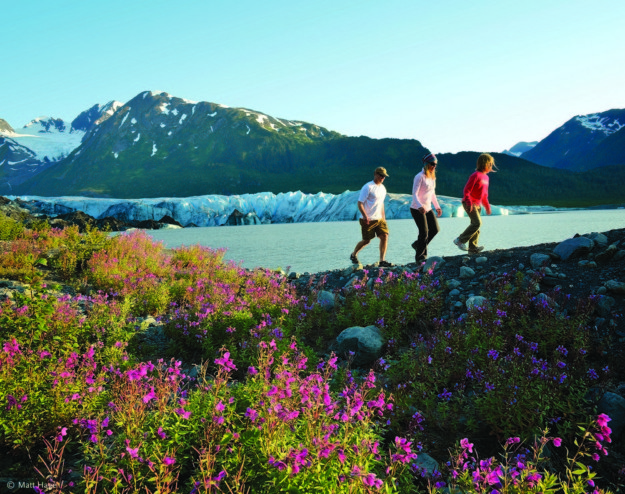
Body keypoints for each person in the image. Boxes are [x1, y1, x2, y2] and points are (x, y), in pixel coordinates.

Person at [350, 166, 393, 267]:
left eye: (384, 176)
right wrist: (365, 216)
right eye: (381, 175)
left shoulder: (383, 188)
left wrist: (384, 218)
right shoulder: (368, 187)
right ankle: (353, 254)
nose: (382, 178)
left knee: (384, 236)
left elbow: (381, 204)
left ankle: (382, 261)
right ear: (375, 174)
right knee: (366, 240)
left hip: (379, 218)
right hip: (367, 219)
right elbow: (360, 203)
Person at [453, 153, 496, 254]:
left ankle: (472, 249)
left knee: (476, 226)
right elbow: (466, 190)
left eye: (491, 164)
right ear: (484, 163)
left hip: (478, 205)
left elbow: (484, 195)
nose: (491, 166)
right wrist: (469, 203)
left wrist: (487, 206)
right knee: (477, 223)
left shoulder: (486, 178)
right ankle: (460, 240)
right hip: (469, 203)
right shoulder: (475, 175)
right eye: (489, 164)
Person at [410, 153, 443, 263]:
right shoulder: (419, 176)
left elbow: (432, 194)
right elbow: (414, 193)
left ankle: (417, 245)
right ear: (426, 164)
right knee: (424, 232)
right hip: (416, 208)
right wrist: (419, 206)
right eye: (432, 164)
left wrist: (437, 207)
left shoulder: (432, 177)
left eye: (435, 165)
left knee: (435, 229)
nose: (434, 166)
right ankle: (420, 257)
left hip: (428, 208)